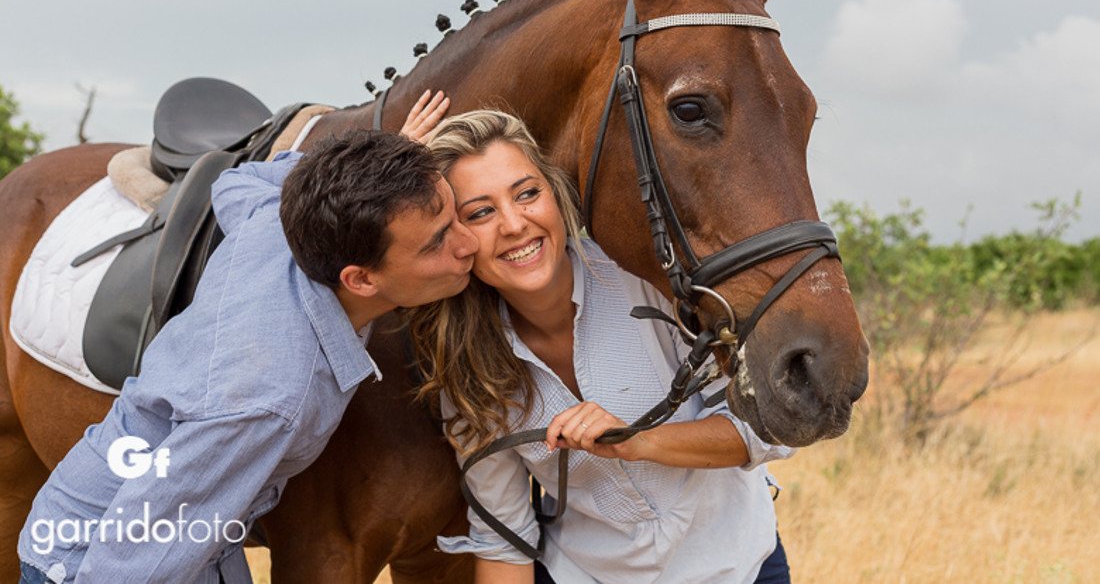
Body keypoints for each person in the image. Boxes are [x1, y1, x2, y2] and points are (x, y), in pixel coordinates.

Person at [17, 92, 477, 584]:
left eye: (455, 219)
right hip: (98, 556)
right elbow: (133, 562)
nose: (468, 243)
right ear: (360, 280)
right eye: (437, 242)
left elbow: (241, 178)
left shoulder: (279, 226)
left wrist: (378, 174)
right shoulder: (270, 398)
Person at [408, 110, 794, 584]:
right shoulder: (467, 365)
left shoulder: (649, 280)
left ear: (554, 194)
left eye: (527, 193)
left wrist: (640, 441)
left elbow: (764, 430)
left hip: (740, 565)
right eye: (480, 212)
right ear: (456, 238)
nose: (514, 224)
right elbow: (504, 539)